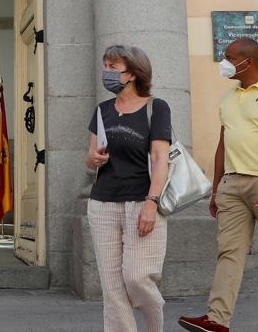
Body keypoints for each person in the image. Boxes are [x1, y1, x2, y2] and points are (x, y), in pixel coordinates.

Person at [178, 37, 258, 332]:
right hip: (232, 185)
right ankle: (217, 320)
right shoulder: (229, 97)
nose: (224, 62)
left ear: (247, 61)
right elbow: (223, 144)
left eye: (229, 57)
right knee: (228, 252)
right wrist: (216, 187)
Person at [85, 44, 172, 332]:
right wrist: (93, 158)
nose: (106, 73)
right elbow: (90, 158)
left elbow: (161, 159)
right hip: (103, 203)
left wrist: (152, 203)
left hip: (141, 203)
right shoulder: (102, 111)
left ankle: (153, 327)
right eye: (105, 66)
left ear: (132, 73)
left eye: (112, 67)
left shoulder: (155, 108)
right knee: (112, 288)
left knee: (137, 278)